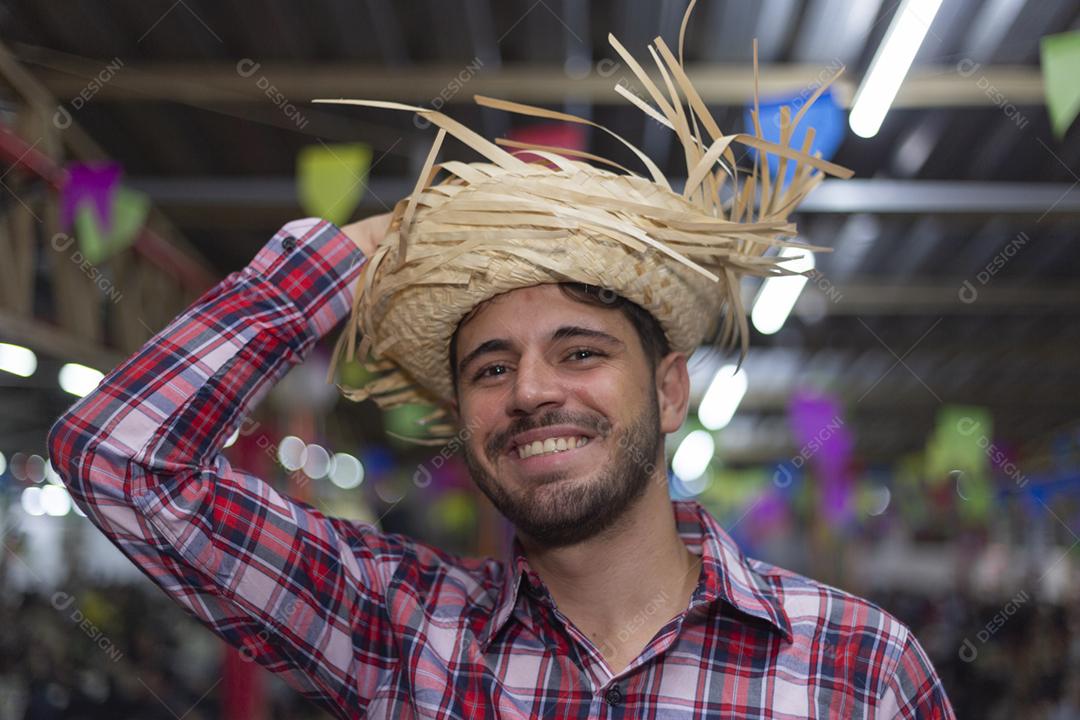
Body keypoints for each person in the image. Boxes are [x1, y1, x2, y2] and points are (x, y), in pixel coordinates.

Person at [48, 5, 955, 717]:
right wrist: (369, 247)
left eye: (581, 350)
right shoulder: (397, 628)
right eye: (489, 368)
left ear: (670, 388)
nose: (529, 391)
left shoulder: (855, 666)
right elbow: (123, 458)